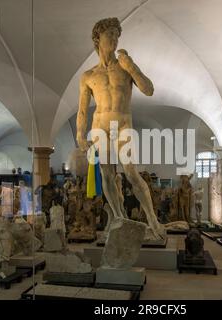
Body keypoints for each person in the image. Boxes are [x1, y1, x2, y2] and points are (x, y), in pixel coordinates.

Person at [76, 17, 164, 240]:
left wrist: (132, 67)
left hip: (122, 123)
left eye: (117, 35)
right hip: (99, 126)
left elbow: (149, 89)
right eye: (110, 34)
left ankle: (152, 220)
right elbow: (83, 110)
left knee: (131, 172)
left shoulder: (124, 68)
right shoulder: (88, 76)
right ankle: (118, 216)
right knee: (107, 174)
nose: (115, 39)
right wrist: (79, 133)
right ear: (98, 38)